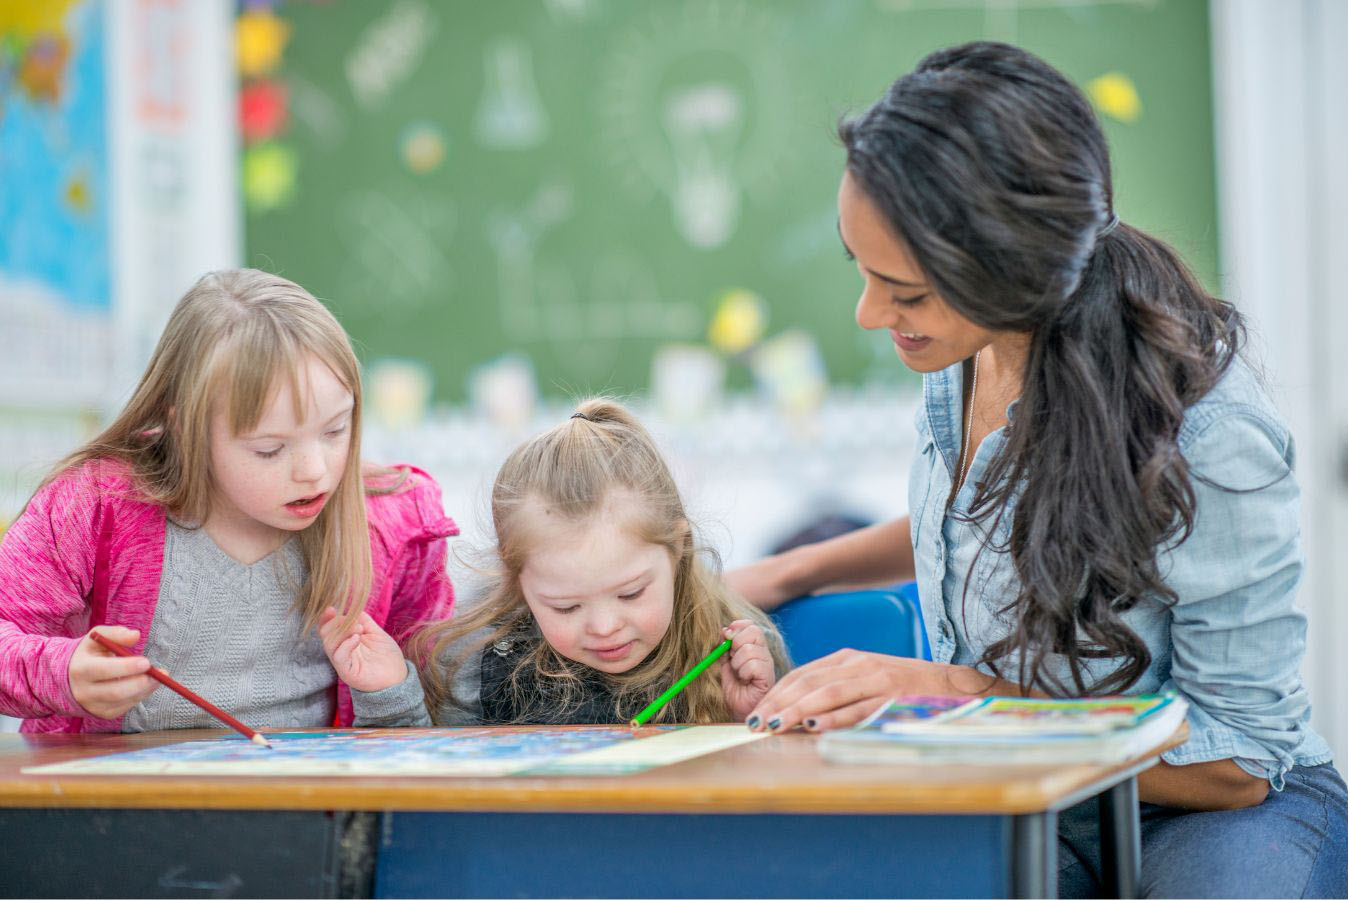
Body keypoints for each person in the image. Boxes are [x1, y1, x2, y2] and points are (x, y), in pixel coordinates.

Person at [727, 42, 1346, 897]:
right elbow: (989, 524)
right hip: (1027, 797)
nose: (870, 314)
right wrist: (789, 571)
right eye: (862, 271)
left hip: (1208, 808)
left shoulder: (1207, 428)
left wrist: (954, 695)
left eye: (906, 293)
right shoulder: (965, 352)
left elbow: (1239, 755)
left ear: (1014, 274)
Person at [0, 268, 456, 734]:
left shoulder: (397, 520)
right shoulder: (96, 503)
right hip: (112, 804)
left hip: (312, 803)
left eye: (336, 429)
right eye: (268, 449)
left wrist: (389, 693)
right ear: (185, 429)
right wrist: (62, 674)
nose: (314, 470)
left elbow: (435, 717)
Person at [335, 398, 787, 727]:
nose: (605, 626)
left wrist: (749, 720)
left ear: (677, 550)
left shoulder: (739, 652)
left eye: (631, 593)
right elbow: (427, 798)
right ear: (517, 582)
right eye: (566, 607)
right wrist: (389, 698)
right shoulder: (471, 661)